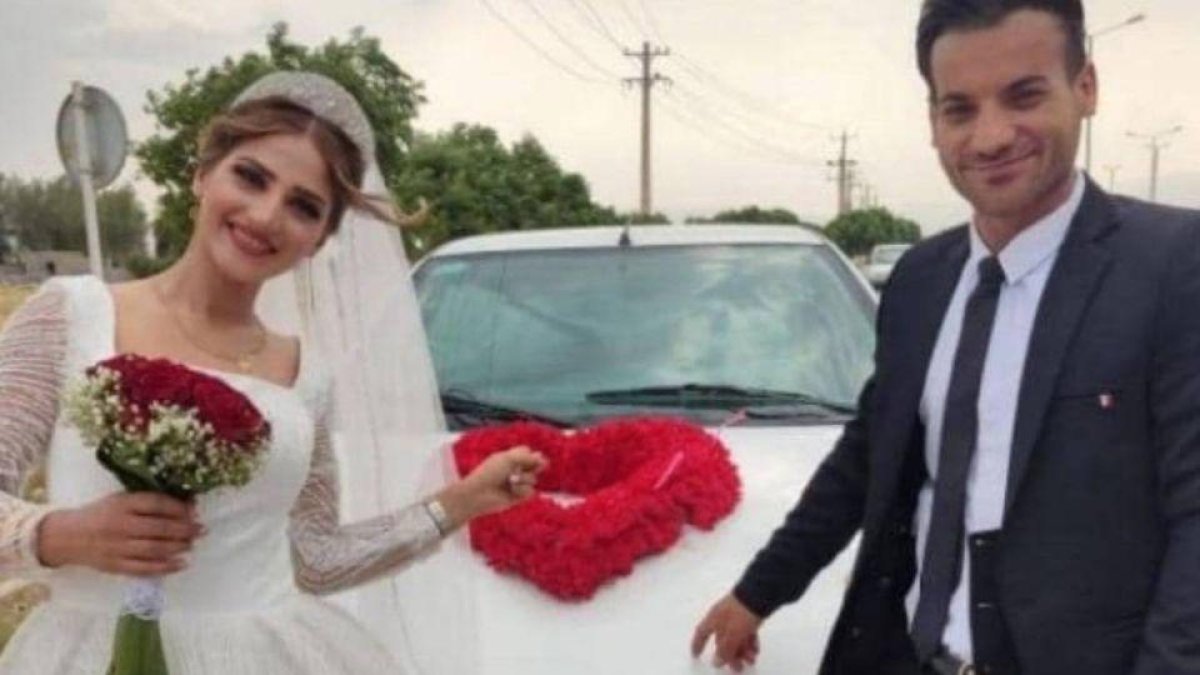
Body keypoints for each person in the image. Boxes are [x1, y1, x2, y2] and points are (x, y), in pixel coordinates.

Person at [692, 1, 1200, 673]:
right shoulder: (920, 281)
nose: (990, 137)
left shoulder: (1171, 266)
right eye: (959, 109)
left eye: (1024, 96)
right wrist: (761, 589)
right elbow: (872, 451)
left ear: (1086, 87)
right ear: (933, 122)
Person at [0, 71, 545, 673]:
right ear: (203, 173)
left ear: (319, 240)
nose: (265, 216)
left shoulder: (305, 376)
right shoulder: (71, 315)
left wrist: (457, 504)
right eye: (251, 176)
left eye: (303, 207)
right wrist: (61, 534)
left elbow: (314, 557)